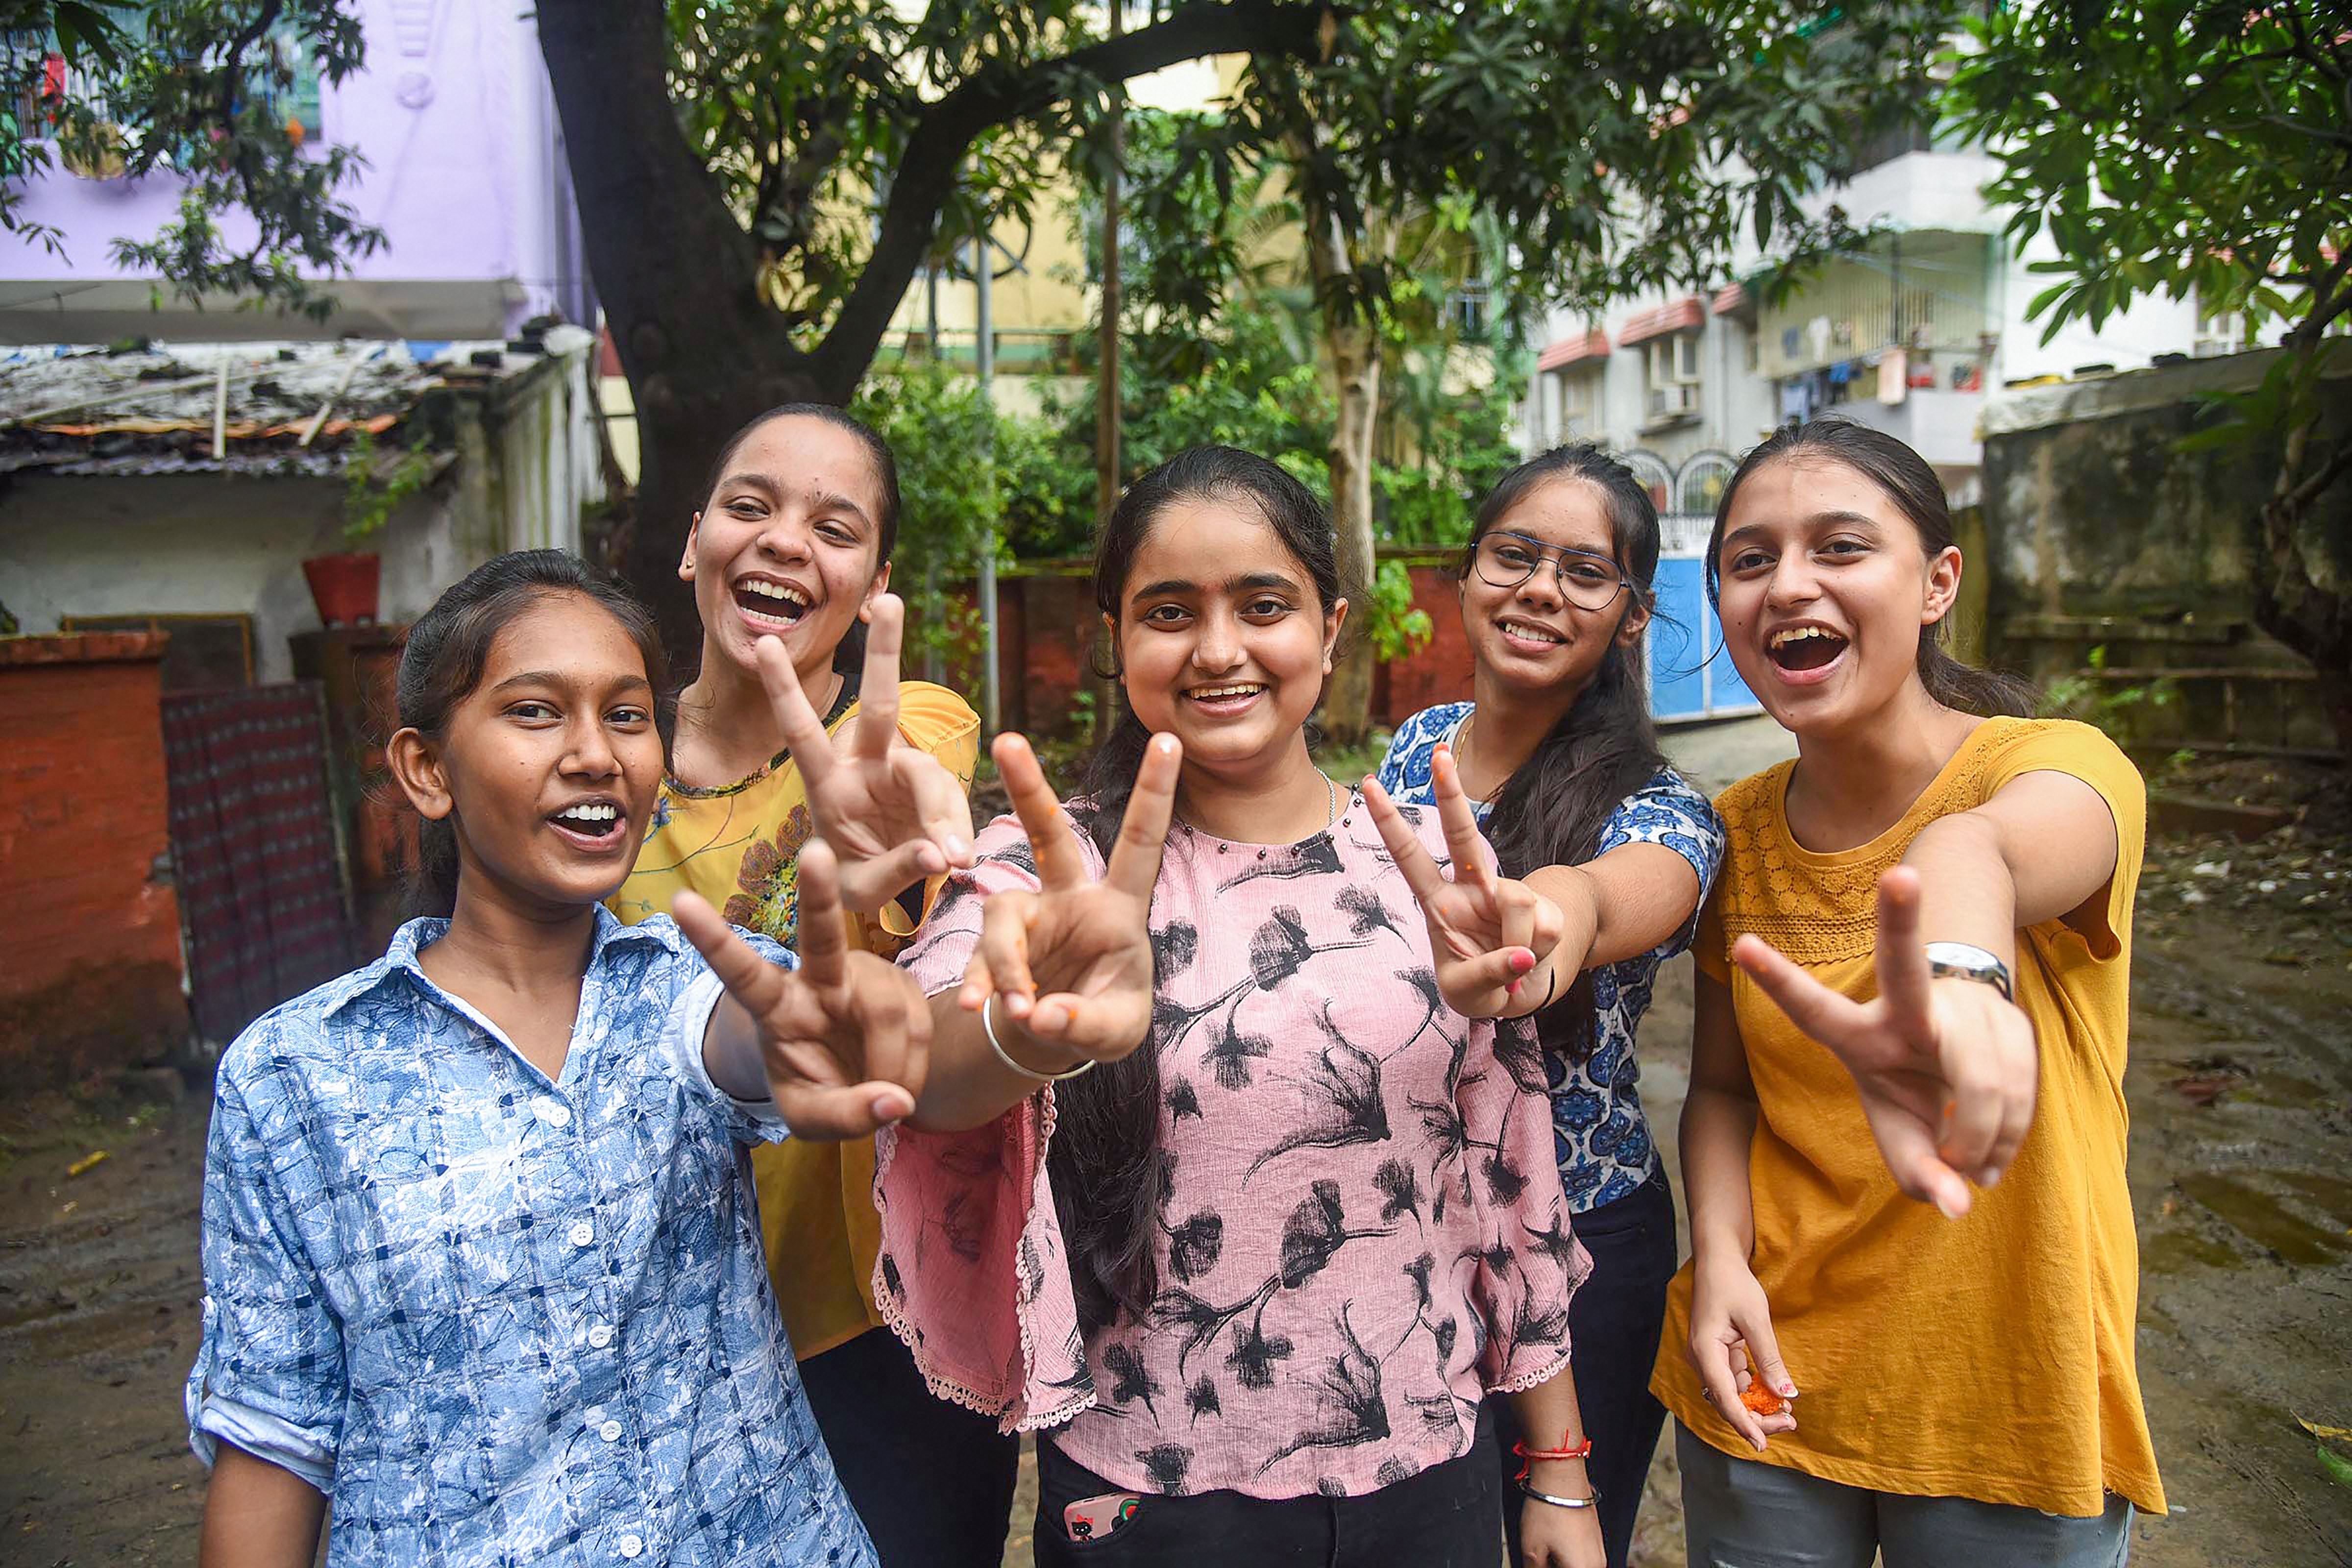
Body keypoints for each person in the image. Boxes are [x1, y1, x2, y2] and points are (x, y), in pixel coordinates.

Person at [858, 446, 1608, 1568]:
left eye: (1263, 605)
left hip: (1426, 1469)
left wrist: (1558, 1468)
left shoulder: (1433, 868)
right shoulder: (1055, 868)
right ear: (1118, 639)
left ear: (1332, 629)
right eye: (1170, 612)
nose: (1218, 650)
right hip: (1151, 1496)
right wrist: (1023, 1028)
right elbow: (927, 1064)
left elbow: (1508, 1186)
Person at [186, 550, 936, 1567]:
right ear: (427, 769)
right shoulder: (291, 1076)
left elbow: (767, 1037)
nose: (595, 754)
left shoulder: (689, 982)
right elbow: (274, 1443)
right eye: (536, 711)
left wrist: (890, 1019)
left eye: (627, 716)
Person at [1656, 418, 2164, 1565]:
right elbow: (1725, 1092)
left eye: (1841, 547)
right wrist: (1721, 1257)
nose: (1791, 584)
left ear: (1938, 582)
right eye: (1750, 559)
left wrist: (1965, 978)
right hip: (1768, 1376)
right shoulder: (1734, 833)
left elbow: (1979, 849)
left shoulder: (2059, 765)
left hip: (2008, 1398)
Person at [603, 404, 1011, 1564]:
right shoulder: (606, 763)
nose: (785, 539)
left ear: (874, 589)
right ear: (694, 541)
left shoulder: (905, 728)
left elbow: (914, 787)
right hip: (649, 1321)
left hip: (873, 1329)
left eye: (834, 528)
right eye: (751, 506)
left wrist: (909, 831)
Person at [1377, 445, 1724, 1568]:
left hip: (1582, 1241)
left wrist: (1545, 924)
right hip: (1413, 1221)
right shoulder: (1418, 749)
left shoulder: (1664, 811)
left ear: (1633, 615)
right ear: (1469, 573)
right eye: (1515, 556)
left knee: (1561, 1541)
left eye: (1584, 572)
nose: (1539, 590)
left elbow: (1606, 899)